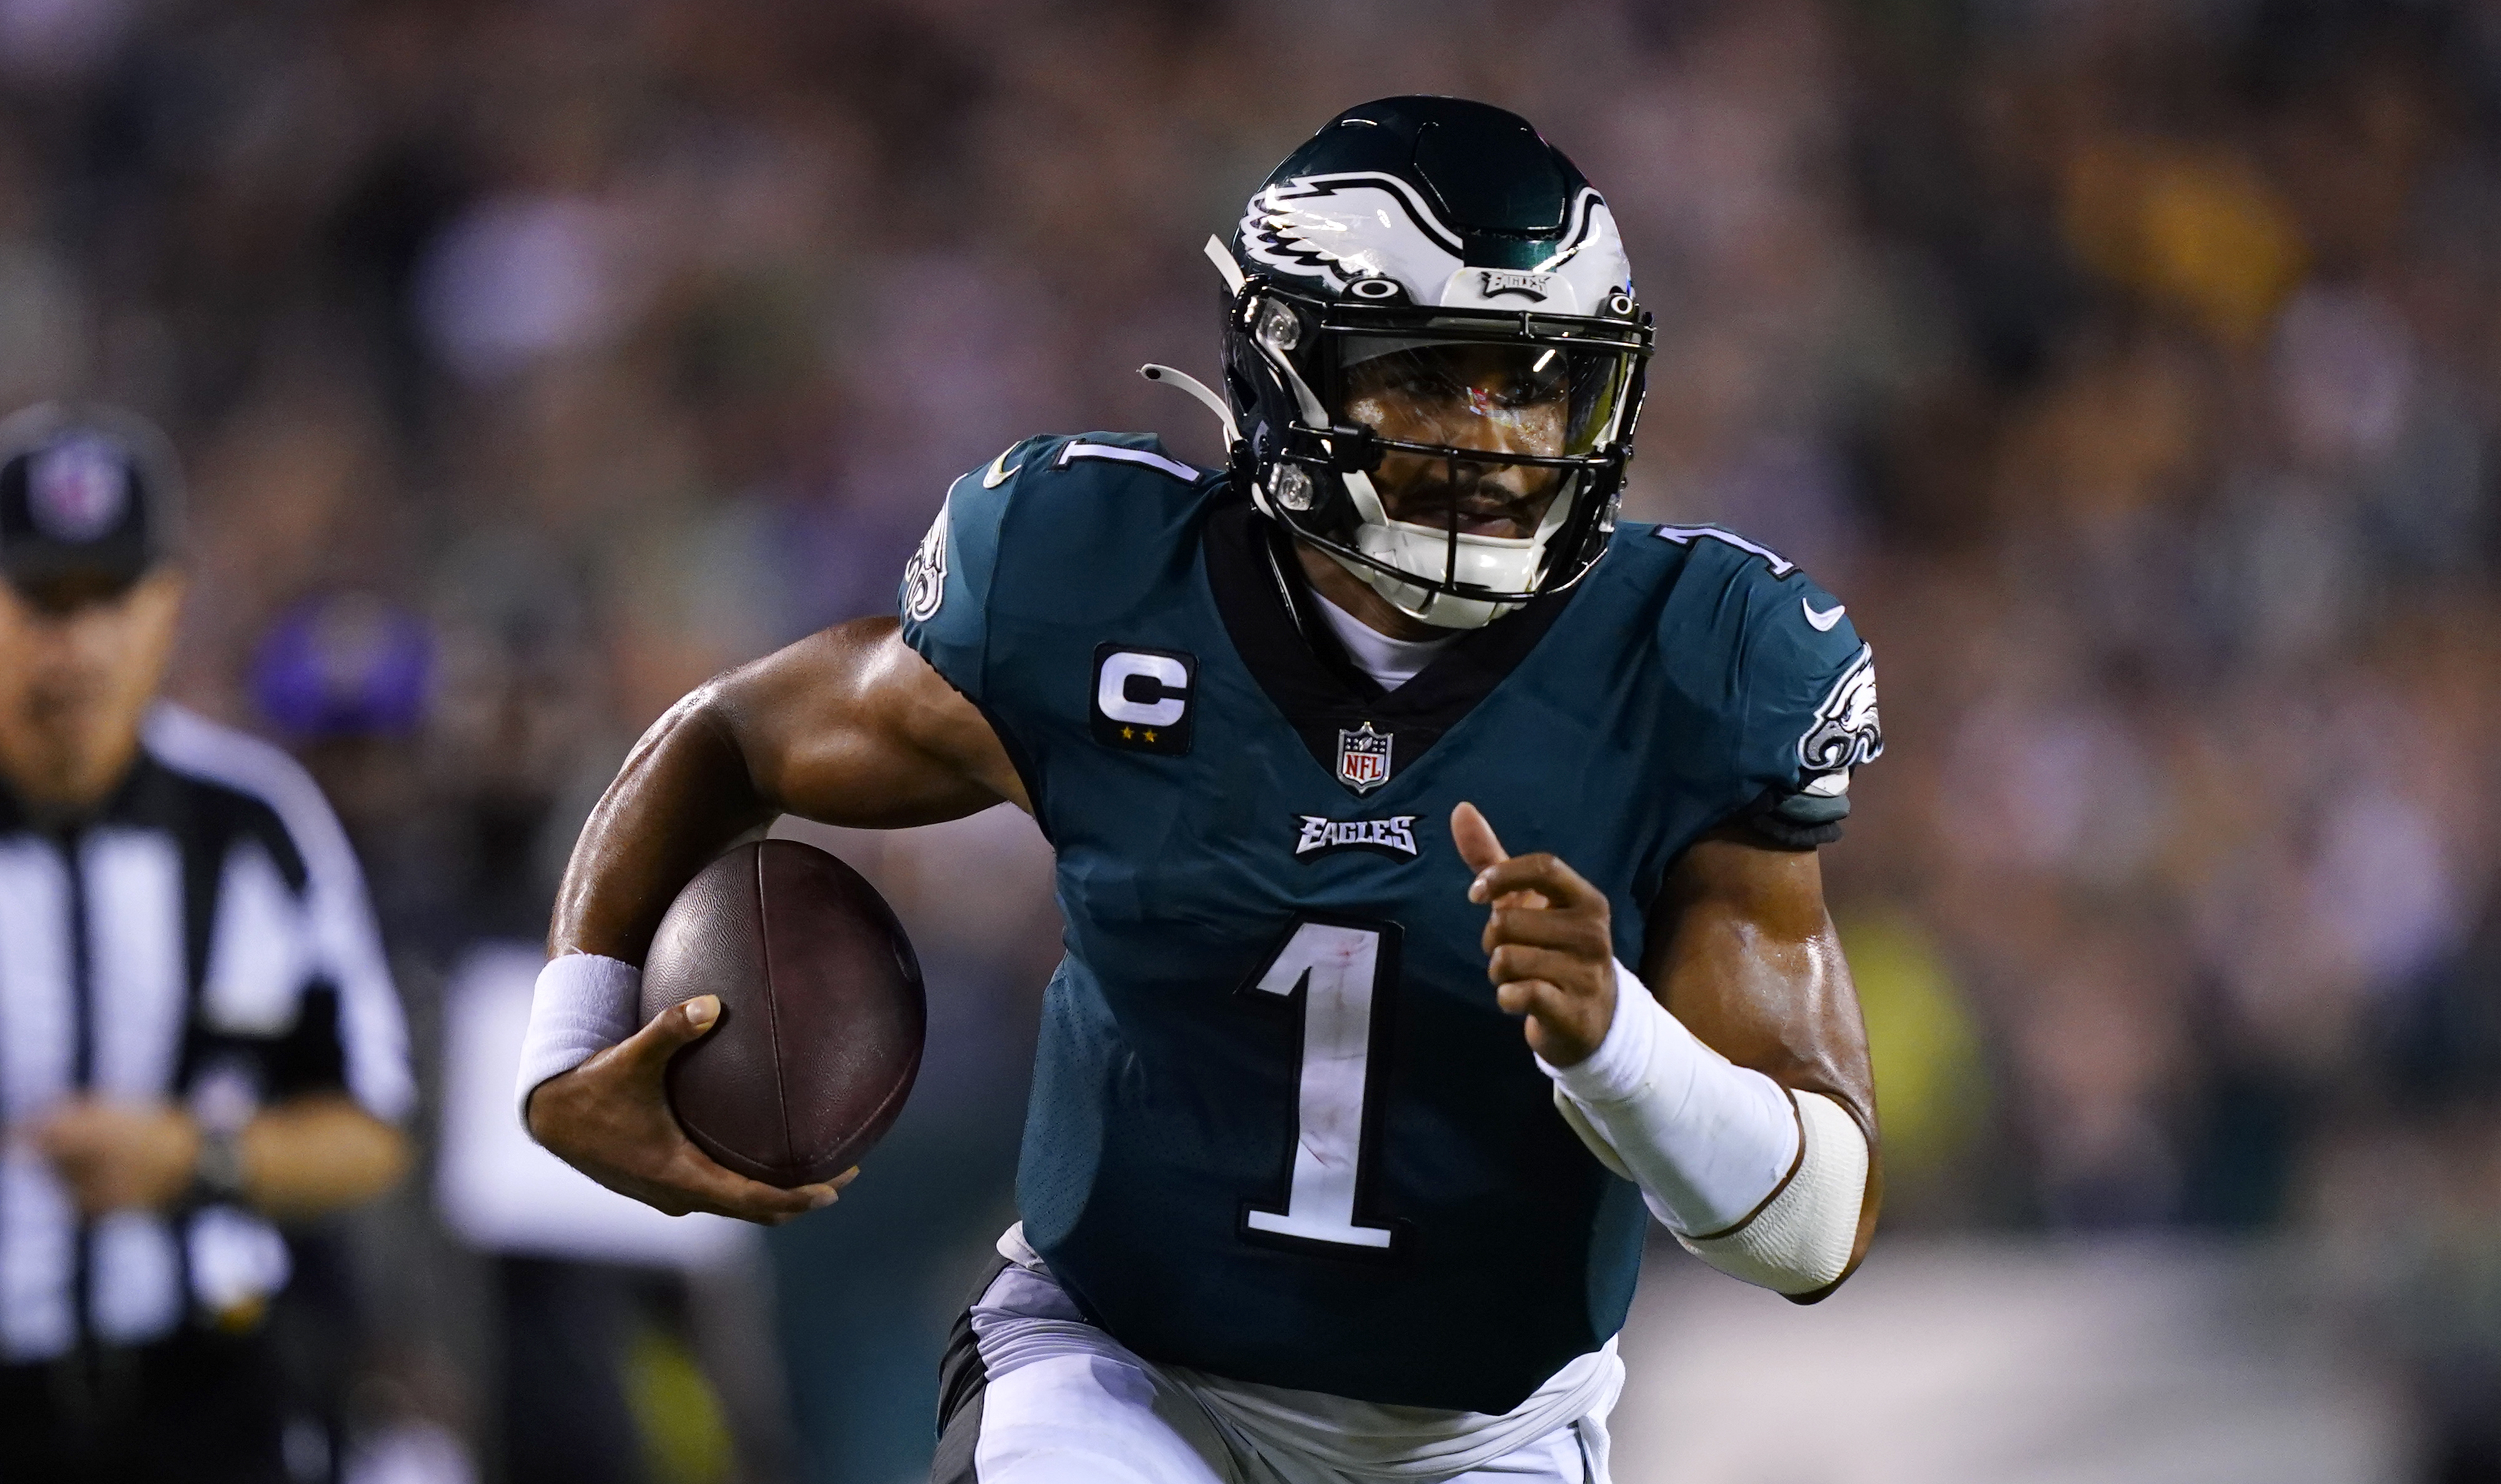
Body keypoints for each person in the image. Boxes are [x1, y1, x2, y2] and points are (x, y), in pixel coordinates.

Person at [522, 98, 1884, 1483]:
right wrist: (570, 1033)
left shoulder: (1697, 662)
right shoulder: (1092, 583)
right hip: (1122, 1369)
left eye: (1536, 382)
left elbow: (1813, 1230)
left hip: (1481, 1434)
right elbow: (731, 735)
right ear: (1289, 368)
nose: (1496, 441)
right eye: (1429, 375)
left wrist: (1620, 1046)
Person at [0, 403, 416, 1481]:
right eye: (43, 600)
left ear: (169, 606)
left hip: (206, 1397)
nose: (79, 646)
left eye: (109, 598)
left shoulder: (252, 824)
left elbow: (374, 1124)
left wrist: (196, 1160)